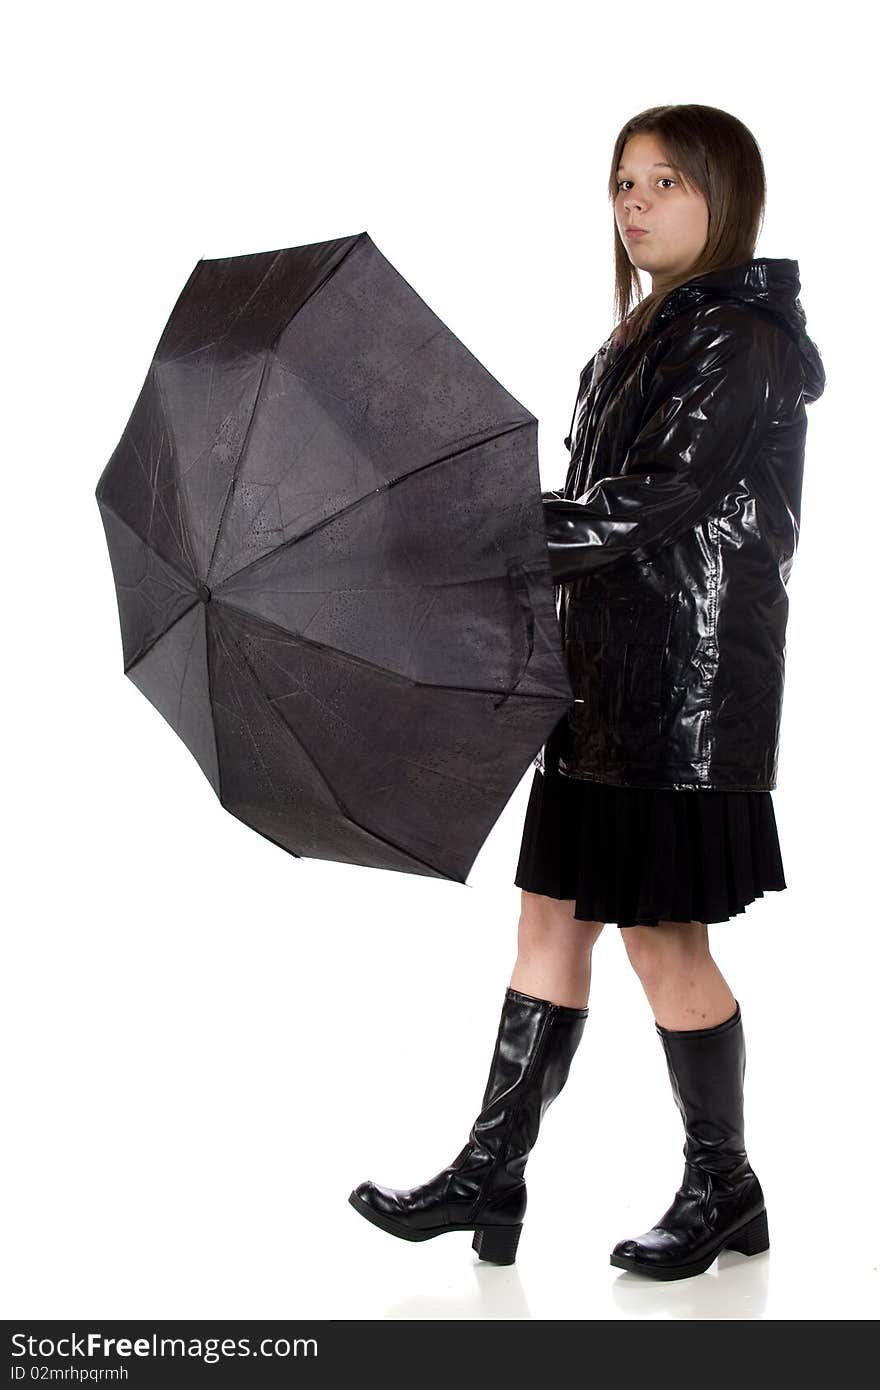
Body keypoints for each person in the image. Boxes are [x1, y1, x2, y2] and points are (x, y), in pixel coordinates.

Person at [348, 104, 826, 1282]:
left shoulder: (737, 339)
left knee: (664, 946)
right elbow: (595, 516)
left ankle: (724, 1184)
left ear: (727, 199)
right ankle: (488, 1173)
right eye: (622, 182)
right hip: (599, 689)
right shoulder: (632, 339)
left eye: (665, 182)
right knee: (548, 922)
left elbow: (645, 504)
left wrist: (472, 527)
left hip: (684, 696)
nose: (635, 202)